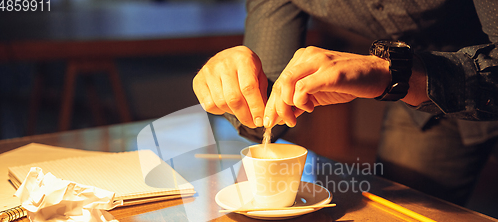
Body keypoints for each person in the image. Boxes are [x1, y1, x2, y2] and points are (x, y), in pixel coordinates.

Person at [193, 0, 498, 206]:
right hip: (414, 95)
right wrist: (231, 85)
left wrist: (391, 72)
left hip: (427, 75)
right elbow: (266, 110)